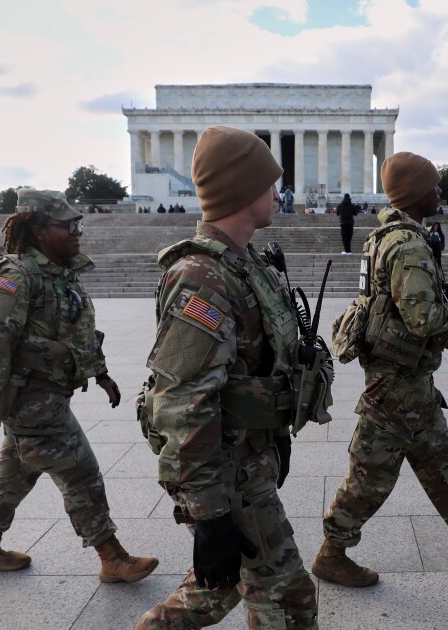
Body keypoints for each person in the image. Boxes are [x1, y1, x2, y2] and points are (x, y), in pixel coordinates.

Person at [314, 151, 448, 588]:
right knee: (371, 474)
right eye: (433, 185)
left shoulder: (383, 237)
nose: (439, 191)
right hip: (395, 387)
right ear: (415, 193)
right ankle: (331, 554)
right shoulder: (408, 245)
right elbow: (422, 319)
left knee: (444, 462)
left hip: (410, 382)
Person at [135, 126, 317, 629]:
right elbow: (181, 401)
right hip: (225, 470)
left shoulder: (244, 264)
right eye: (269, 183)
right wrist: (209, 516)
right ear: (243, 189)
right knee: (287, 599)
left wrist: (276, 436)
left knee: (225, 591)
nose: (277, 193)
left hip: (248, 458)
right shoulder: (202, 278)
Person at [0, 189, 158, 583]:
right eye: (66, 225)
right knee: (79, 471)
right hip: (31, 398)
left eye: (78, 224)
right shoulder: (15, 276)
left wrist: (100, 373)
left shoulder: (59, 273)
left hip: (46, 394)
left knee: (16, 471)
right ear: (38, 230)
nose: (76, 231)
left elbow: (76, 331)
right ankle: (111, 557)